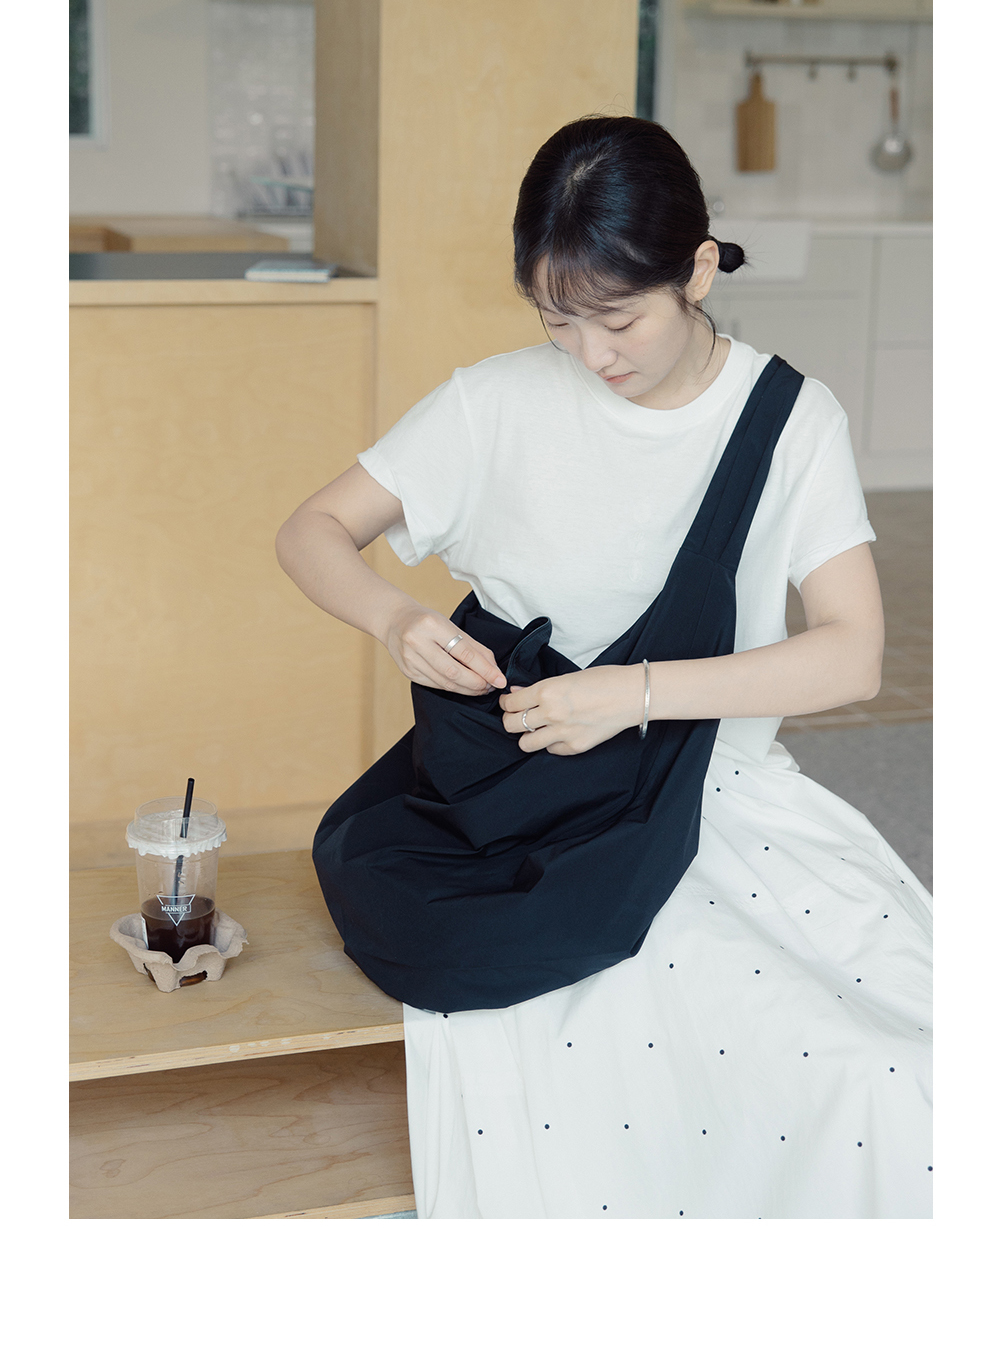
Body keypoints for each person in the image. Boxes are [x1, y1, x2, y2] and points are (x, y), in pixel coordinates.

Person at [276, 115, 932, 1218]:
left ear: (698, 269)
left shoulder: (787, 420)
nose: (590, 356)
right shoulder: (494, 402)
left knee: (897, 1068)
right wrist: (395, 620)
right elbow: (311, 531)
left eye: (619, 318)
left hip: (713, 796)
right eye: (557, 320)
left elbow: (851, 653)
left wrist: (634, 695)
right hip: (510, 802)